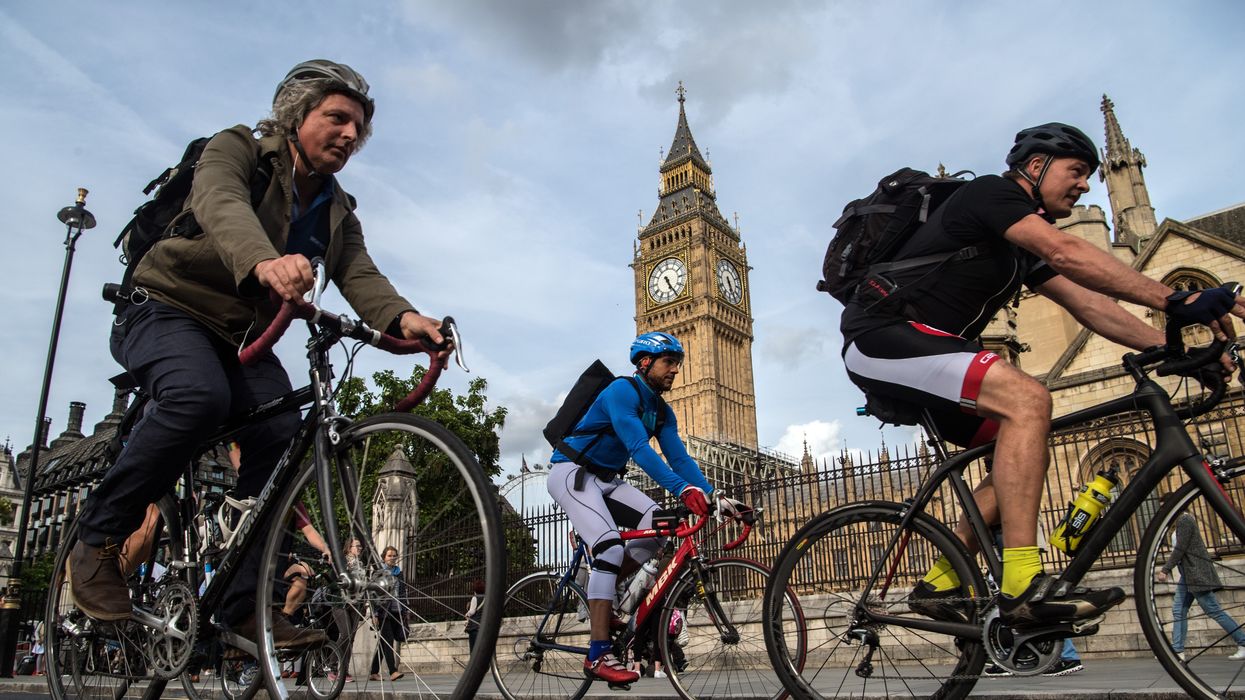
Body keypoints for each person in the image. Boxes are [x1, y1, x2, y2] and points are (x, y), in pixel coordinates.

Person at [70, 60, 449, 656]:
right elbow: (220, 202)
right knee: (198, 396)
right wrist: (264, 261)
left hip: (240, 337)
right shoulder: (239, 148)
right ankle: (96, 540)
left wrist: (405, 319)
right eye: (338, 118)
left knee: (281, 429)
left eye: (359, 128)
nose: (351, 135)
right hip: (165, 307)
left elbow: (358, 273)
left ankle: (241, 604)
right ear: (297, 115)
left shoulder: (336, 208)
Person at [839, 122, 1245, 629]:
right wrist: (1173, 298)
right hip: (880, 337)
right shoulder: (989, 193)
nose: (1084, 185)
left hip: (934, 351)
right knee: (1029, 399)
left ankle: (944, 577)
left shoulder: (1019, 248)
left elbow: (1093, 307)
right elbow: (1067, 252)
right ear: (1035, 167)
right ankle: (1022, 585)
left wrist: (1172, 346)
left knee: (1029, 441)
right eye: (1076, 172)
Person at [546, 332, 748, 685]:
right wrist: (683, 491)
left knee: (660, 529)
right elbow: (639, 448)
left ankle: (604, 600)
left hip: (607, 479)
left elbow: (680, 459)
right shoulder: (621, 391)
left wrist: (717, 497)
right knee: (608, 547)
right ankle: (597, 654)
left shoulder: (661, 411)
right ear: (645, 362)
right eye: (669, 363)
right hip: (572, 473)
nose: (675, 371)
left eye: (678, 365)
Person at [1156, 495, 1245, 660]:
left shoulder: (1185, 520)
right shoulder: (1178, 523)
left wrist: (1166, 569)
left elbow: (1180, 549)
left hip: (1196, 574)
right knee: (1178, 611)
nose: (1163, 510)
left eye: (1164, 506)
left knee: (1214, 611)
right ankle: (1177, 651)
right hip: (1187, 575)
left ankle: (1243, 642)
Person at [369, 546, 406, 682]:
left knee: (383, 643)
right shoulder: (378, 573)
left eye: (394, 555)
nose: (392, 558)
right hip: (383, 611)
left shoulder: (399, 573)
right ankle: (393, 671)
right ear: (383, 558)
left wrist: (405, 610)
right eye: (389, 555)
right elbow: (373, 594)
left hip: (397, 611)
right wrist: (374, 614)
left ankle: (373, 672)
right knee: (388, 641)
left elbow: (402, 592)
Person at [464, 579, 485, 652]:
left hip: (475, 628)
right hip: (483, 626)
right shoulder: (486, 598)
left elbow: (472, 611)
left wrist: (467, 614)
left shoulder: (475, 598)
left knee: (473, 650)